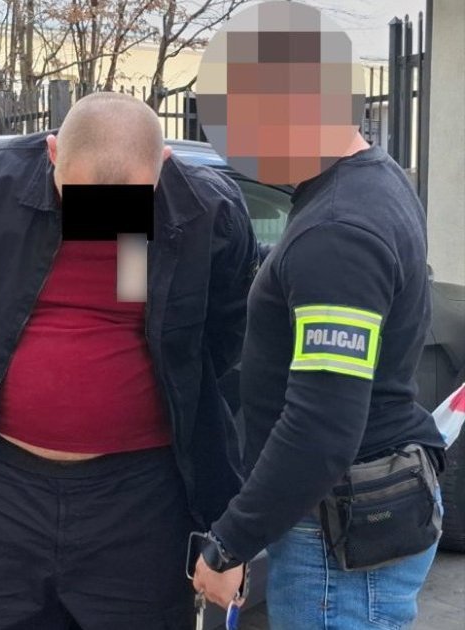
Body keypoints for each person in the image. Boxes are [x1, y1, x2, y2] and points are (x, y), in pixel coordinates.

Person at [0, 91, 257, 629]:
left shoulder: (207, 212)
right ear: (52, 151)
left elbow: (221, 337)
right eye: (83, 203)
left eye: (124, 207)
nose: (102, 222)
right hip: (4, 491)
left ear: (164, 165)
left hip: (139, 500)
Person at [190, 3, 446, 628]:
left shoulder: (337, 231)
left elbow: (321, 426)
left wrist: (230, 543)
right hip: (346, 518)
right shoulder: (371, 180)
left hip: (337, 538)